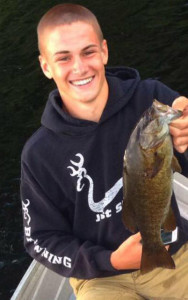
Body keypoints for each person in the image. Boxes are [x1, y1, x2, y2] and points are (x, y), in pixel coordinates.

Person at [21, 3, 188, 299]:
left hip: (173, 250)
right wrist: (109, 261)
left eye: (88, 52)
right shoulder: (38, 154)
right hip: (101, 277)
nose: (80, 67)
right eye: (63, 58)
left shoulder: (151, 99)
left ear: (104, 51)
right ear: (46, 66)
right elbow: (40, 240)